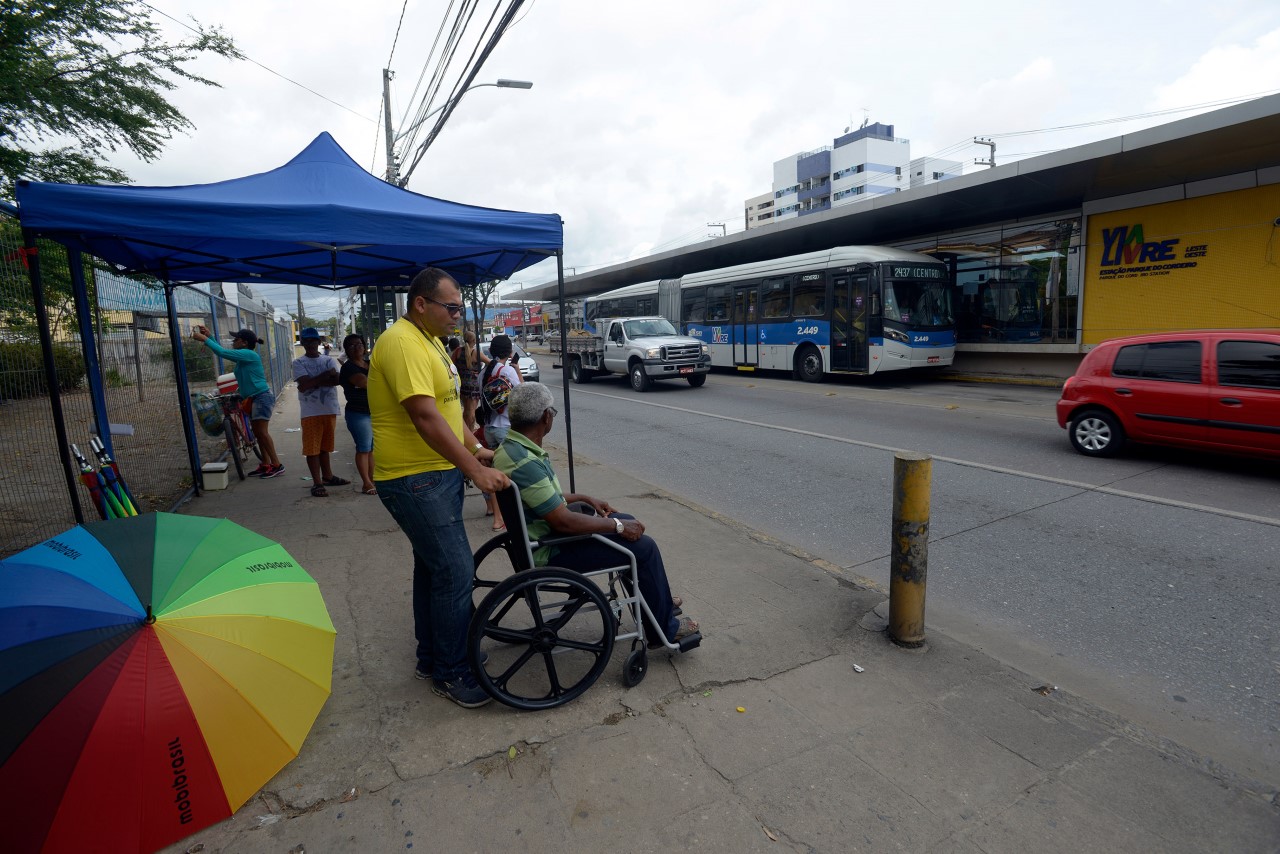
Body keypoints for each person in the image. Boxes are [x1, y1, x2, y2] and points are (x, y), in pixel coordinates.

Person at [368, 266, 509, 709]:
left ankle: (432, 657)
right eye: (451, 307)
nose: (458, 315)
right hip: (416, 478)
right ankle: (453, 671)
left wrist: (476, 447)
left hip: (435, 473)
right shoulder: (402, 342)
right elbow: (424, 416)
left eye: (461, 308)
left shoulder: (430, 341)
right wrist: (474, 469)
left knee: (433, 569)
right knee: (454, 571)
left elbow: (448, 407)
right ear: (420, 305)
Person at [493, 382, 699, 649]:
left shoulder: (510, 449)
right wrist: (617, 527)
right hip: (551, 549)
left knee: (626, 518)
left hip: (542, 537)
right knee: (643, 546)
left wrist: (583, 498)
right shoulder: (527, 463)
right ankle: (665, 629)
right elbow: (562, 520)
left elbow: (541, 500)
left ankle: (656, 603)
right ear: (546, 417)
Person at [192, 325, 284, 477]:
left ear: (244, 343)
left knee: (261, 432)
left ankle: (277, 464)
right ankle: (266, 464)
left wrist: (205, 339)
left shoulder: (249, 354)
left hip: (261, 396)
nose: (233, 341)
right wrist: (210, 337)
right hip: (254, 398)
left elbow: (222, 352)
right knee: (258, 432)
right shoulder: (244, 356)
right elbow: (221, 351)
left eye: (236, 339)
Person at [293, 327, 349, 497]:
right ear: (302, 343)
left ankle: (328, 476)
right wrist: (325, 376)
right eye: (306, 341)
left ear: (319, 342)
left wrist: (314, 381)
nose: (310, 344)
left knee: (325, 447)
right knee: (312, 449)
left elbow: (338, 381)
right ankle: (317, 483)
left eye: (313, 341)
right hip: (311, 412)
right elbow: (304, 386)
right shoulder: (299, 362)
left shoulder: (327, 359)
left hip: (329, 409)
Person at [479, 334, 521, 531]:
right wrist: (517, 371)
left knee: (494, 472)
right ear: (509, 351)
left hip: (489, 429)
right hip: (505, 427)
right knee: (514, 473)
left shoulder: (483, 372)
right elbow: (523, 395)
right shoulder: (507, 371)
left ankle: (496, 515)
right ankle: (503, 516)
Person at [339, 333, 376, 495]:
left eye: (359, 344)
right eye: (352, 345)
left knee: (371, 449)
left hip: (373, 412)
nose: (357, 347)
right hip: (358, 413)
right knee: (363, 448)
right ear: (346, 350)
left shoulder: (370, 363)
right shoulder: (348, 367)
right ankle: (366, 483)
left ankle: (373, 479)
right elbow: (365, 383)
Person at [451, 329, 487, 436]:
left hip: (461, 384)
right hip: (473, 385)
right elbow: (490, 363)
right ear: (474, 340)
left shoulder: (457, 351)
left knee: (466, 409)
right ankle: (470, 433)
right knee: (471, 410)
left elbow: (450, 366)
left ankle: (464, 432)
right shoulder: (475, 352)